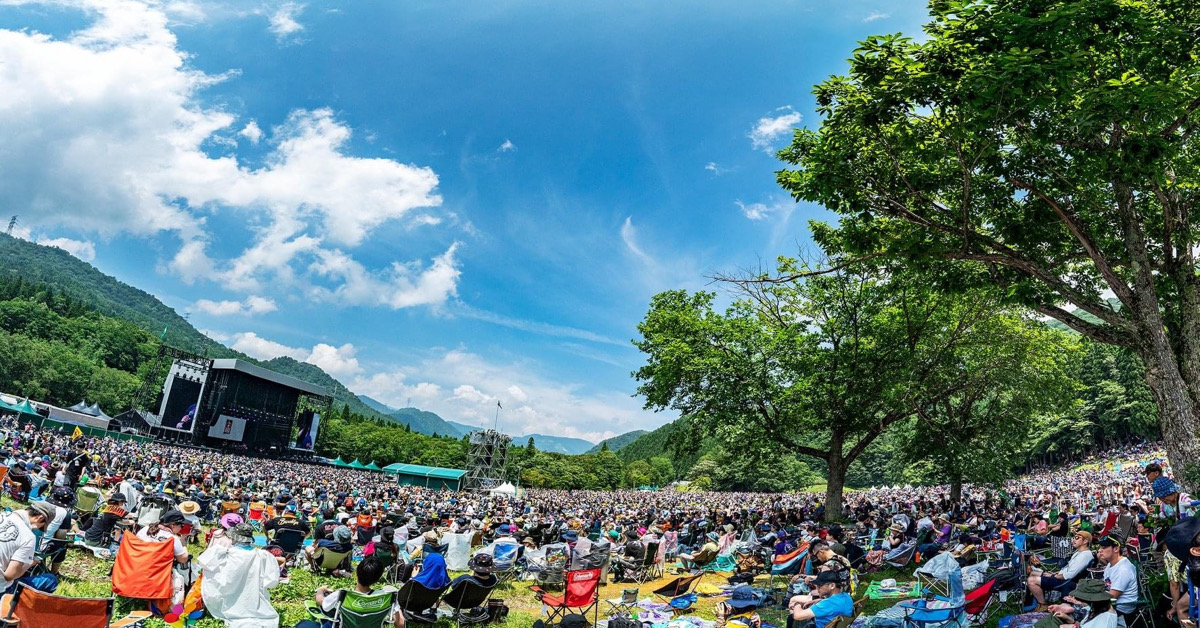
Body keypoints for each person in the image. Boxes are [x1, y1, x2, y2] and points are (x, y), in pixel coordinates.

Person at [197, 523, 282, 628]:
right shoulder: (263, 555)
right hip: (253, 599)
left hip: (227, 599)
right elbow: (272, 582)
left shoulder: (224, 553)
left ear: (234, 538)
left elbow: (204, 564)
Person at [298, 556, 406, 628]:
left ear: (356, 574)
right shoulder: (387, 596)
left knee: (303, 624)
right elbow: (400, 624)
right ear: (377, 579)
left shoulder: (342, 594)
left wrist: (320, 590)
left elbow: (321, 602)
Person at [1027, 531, 1094, 607]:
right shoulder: (1079, 552)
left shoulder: (1084, 556)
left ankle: (1042, 604)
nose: (1073, 540)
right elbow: (1068, 568)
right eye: (1074, 537)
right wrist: (1055, 573)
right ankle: (1031, 599)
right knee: (1033, 573)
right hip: (1062, 577)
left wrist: (1052, 576)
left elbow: (1069, 575)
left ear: (1085, 541)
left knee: (1031, 580)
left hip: (1066, 582)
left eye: (1077, 538)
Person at [0, 503, 52, 592]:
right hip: (2, 589)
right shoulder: (28, 537)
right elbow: (9, 576)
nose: (38, 529)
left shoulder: (2, 515)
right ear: (40, 518)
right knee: (50, 580)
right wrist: (30, 563)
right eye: (41, 527)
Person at [787, 570, 853, 628]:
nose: (817, 588)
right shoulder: (846, 596)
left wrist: (797, 604)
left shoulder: (827, 604)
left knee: (791, 618)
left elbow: (798, 616)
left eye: (819, 586)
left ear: (832, 586)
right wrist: (820, 600)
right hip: (835, 624)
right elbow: (833, 605)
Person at [1047, 579, 1122, 628]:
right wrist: (1068, 619)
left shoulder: (1105, 621)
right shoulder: (1097, 608)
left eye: (1081, 601)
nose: (1080, 603)